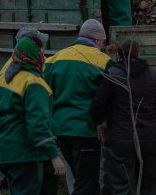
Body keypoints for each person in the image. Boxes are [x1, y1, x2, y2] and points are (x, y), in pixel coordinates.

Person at [44, 18, 111, 195]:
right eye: (102, 42)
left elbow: (45, 92)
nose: (102, 45)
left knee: (82, 179)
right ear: (97, 40)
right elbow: (107, 97)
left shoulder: (54, 58)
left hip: (61, 130)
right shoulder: (104, 61)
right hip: (86, 131)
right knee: (86, 184)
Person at [0, 33, 65, 195]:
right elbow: (37, 125)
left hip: (6, 151)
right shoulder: (33, 83)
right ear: (35, 55)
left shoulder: (5, 78)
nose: (44, 55)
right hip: (25, 154)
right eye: (41, 51)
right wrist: (54, 156)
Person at [91, 39, 156, 195]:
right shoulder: (154, 75)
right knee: (148, 183)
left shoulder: (112, 74)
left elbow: (98, 104)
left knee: (122, 185)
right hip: (148, 138)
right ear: (138, 53)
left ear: (119, 54)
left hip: (120, 138)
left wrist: (100, 122)